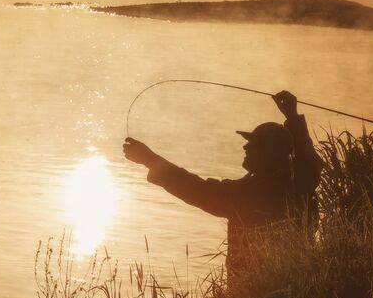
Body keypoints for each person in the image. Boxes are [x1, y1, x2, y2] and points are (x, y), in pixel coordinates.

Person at [122, 90, 322, 274]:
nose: (245, 147)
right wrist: (293, 117)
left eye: (254, 144)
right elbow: (308, 159)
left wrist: (149, 159)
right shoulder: (301, 183)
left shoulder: (246, 194)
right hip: (295, 284)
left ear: (271, 153)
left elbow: (194, 189)